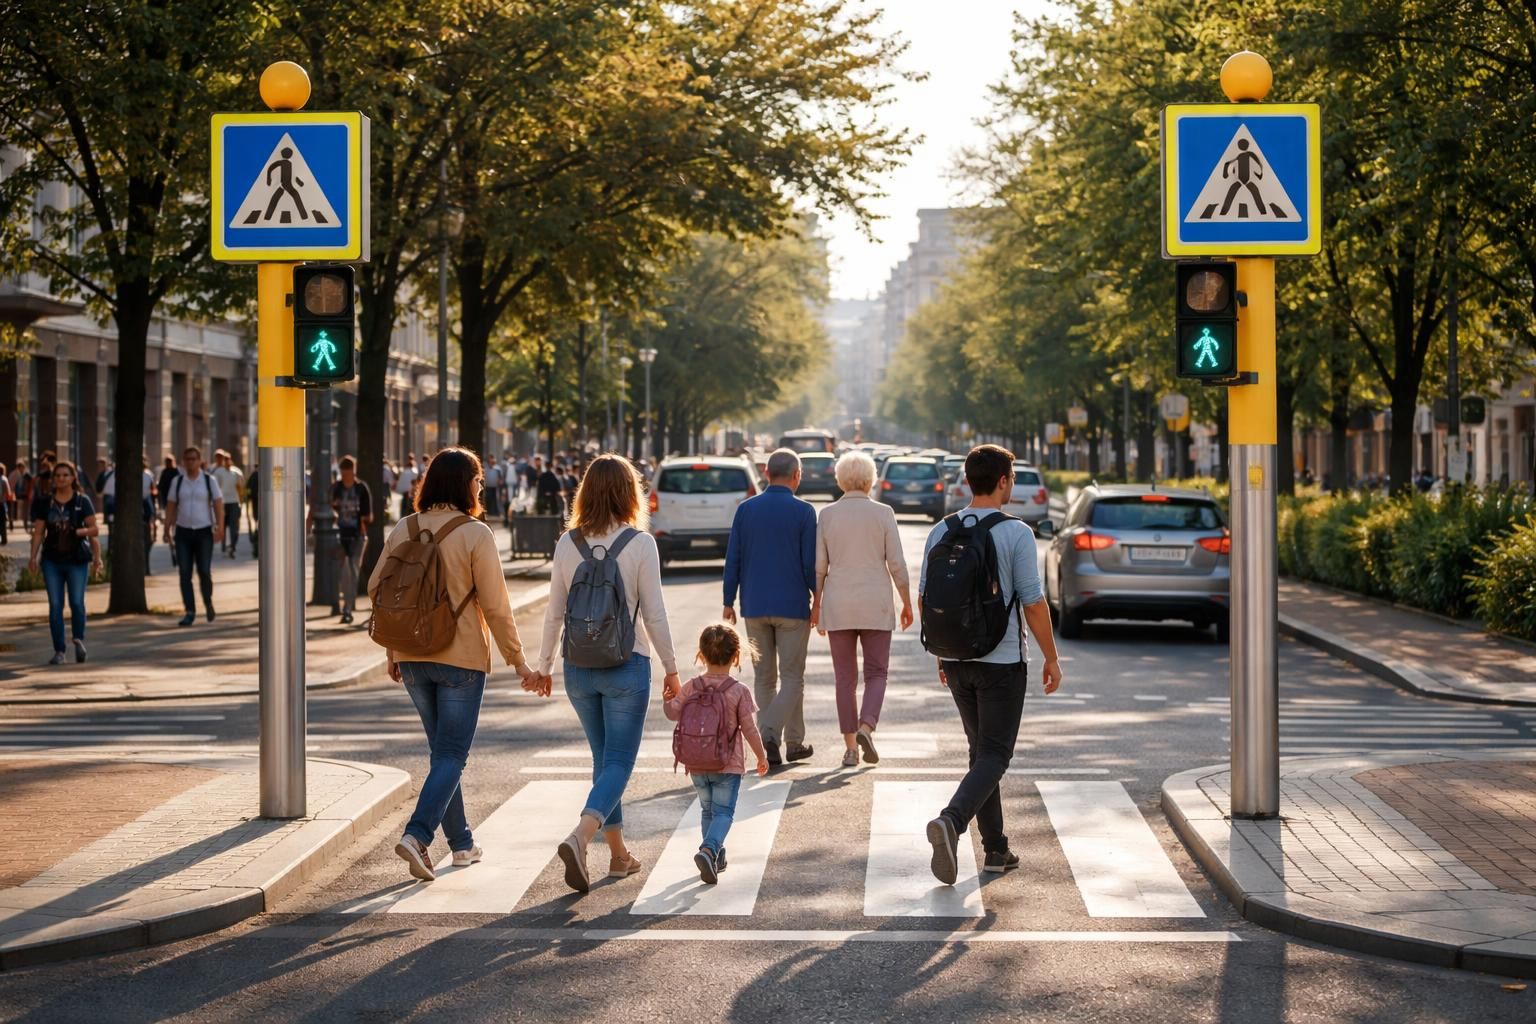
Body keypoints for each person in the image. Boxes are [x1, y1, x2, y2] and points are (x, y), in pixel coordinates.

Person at [374, 447, 541, 882]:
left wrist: (393, 651)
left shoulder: (404, 528)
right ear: (466, 483)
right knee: (451, 754)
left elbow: (379, 587)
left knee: (442, 754)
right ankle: (417, 835)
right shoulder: (475, 533)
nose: (481, 487)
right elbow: (496, 606)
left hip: (411, 656)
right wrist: (518, 661)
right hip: (460, 655)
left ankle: (462, 844)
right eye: (478, 480)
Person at [528, 453, 679, 893]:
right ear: (629, 493)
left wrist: (543, 667)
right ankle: (581, 837)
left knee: (602, 762)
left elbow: (553, 614)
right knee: (617, 763)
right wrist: (671, 669)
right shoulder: (640, 544)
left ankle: (618, 857)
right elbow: (654, 615)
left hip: (578, 667)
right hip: (626, 664)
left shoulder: (566, 544)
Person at [920, 444, 1063, 883]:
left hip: (957, 657)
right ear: (1003, 481)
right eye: (1013, 478)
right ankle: (952, 821)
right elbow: (1034, 603)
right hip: (1001, 661)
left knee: (981, 752)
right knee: (995, 755)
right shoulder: (1016, 532)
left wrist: (943, 652)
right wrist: (1051, 657)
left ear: (967, 481)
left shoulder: (940, 531)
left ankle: (997, 849)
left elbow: (927, 600)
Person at [811, 450, 913, 768]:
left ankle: (851, 748)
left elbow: (819, 567)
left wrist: (817, 605)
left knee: (844, 678)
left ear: (840, 479)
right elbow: (896, 563)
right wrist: (907, 601)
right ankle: (867, 725)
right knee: (877, 673)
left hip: (839, 603)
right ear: (870, 480)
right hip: (875, 603)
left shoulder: (827, 515)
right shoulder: (883, 513)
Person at [722, 448, 818, 766]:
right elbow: (809, 564)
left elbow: (733, 557)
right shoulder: (804, 512)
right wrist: (818, 597)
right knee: (793, 677)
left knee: (764, 678)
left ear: (766, 473)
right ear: (796, 476)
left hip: (754, 605)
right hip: (792, 605)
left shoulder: (746, 510)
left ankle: (793, 742)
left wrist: (728, 600)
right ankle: (772, 736)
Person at [663, 622, 769, 884]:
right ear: (736, 657)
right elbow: (750, 730)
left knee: (707, 811)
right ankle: (709, 850)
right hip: (727, 765)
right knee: (724, 813)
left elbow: (672, 714)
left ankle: (715, 855)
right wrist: (761, 756)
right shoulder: (739, 691)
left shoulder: (690, 686)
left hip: (696, 764)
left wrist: (667, 699)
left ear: (701, 655)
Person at [27, 460, 102, 665]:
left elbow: (95, 530)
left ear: (72, 478)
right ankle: (59, 650)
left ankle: (78, 640)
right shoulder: (45, 503)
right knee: (55, 604)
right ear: (53, 479)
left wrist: (85, 538)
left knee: (77, 603)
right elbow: (39, 532)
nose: (61, 478)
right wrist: (33, 557)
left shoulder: (82, 501)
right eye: (57, 475)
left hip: (77, 559)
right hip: (52, 560)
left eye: (65, 475)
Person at [164, 446, 225, 627]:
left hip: (204, 532)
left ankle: (208, 601)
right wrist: (167, 528)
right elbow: (171, 506)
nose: (190, 462)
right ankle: (189, 611)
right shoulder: (178, 481)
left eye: (193, 459)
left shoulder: (209, 480)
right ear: (183, 461)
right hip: (183, 532)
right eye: (187, 459)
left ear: (200, 461)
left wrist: (220, 527)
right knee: (184, 573)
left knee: (204, 571)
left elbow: (218, 504)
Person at [330, 455, 373, 624]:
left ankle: (348, 606)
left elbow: (369, 515)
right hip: (339, 535)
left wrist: (363, 519)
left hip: (357, 535)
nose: (348, 476)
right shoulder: (336, 488)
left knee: (353, 571)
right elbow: (328, 507)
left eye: (351, 473)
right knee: (343, 572)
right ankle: (346, 605)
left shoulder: (361, 488)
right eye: (345, 473)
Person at [211, 450, 245, 558]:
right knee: (223, 525)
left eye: (227, 459)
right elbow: (215, 489)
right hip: (223, 503)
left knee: (234, 526)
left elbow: (240, 488)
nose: (225, 461)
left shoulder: (236, 472)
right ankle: (223, 544)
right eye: (223, 459)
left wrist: (241, 502)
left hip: (234, 502)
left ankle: (232, 546)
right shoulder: (217, 472)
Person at [157, 455, 181, 567]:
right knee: (173, 524)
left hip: (174, 504)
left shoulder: (171, 472)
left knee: (173, 524)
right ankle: (173, 544)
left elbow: (160, 488)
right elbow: (160, 488)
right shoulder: (171, 472)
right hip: (172, 503)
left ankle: (174, 545)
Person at [395, 454, 419, 518]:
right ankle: (408, 515)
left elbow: (401, 480)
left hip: (405, 490)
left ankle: (403, 515)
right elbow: (414, 481)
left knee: (405, 502)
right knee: (409, 503)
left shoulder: (405, 471)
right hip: (410, 490)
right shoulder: (413, 470)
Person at [481, 457, 503, 522]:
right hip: (488, 487)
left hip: (495, 487)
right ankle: (488, 512)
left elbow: (500, 478)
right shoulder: (486, 469)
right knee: (488, 499)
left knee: (495, 500)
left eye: (493, 462)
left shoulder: (497, 470)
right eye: (490, 462)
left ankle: (495, 512)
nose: (491, 464)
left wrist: (499, 482)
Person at [0, 462, 12, 545]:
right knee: (2, 522)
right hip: (1, 504)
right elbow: (9, 493)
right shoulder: (4, 479)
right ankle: (4, 539)